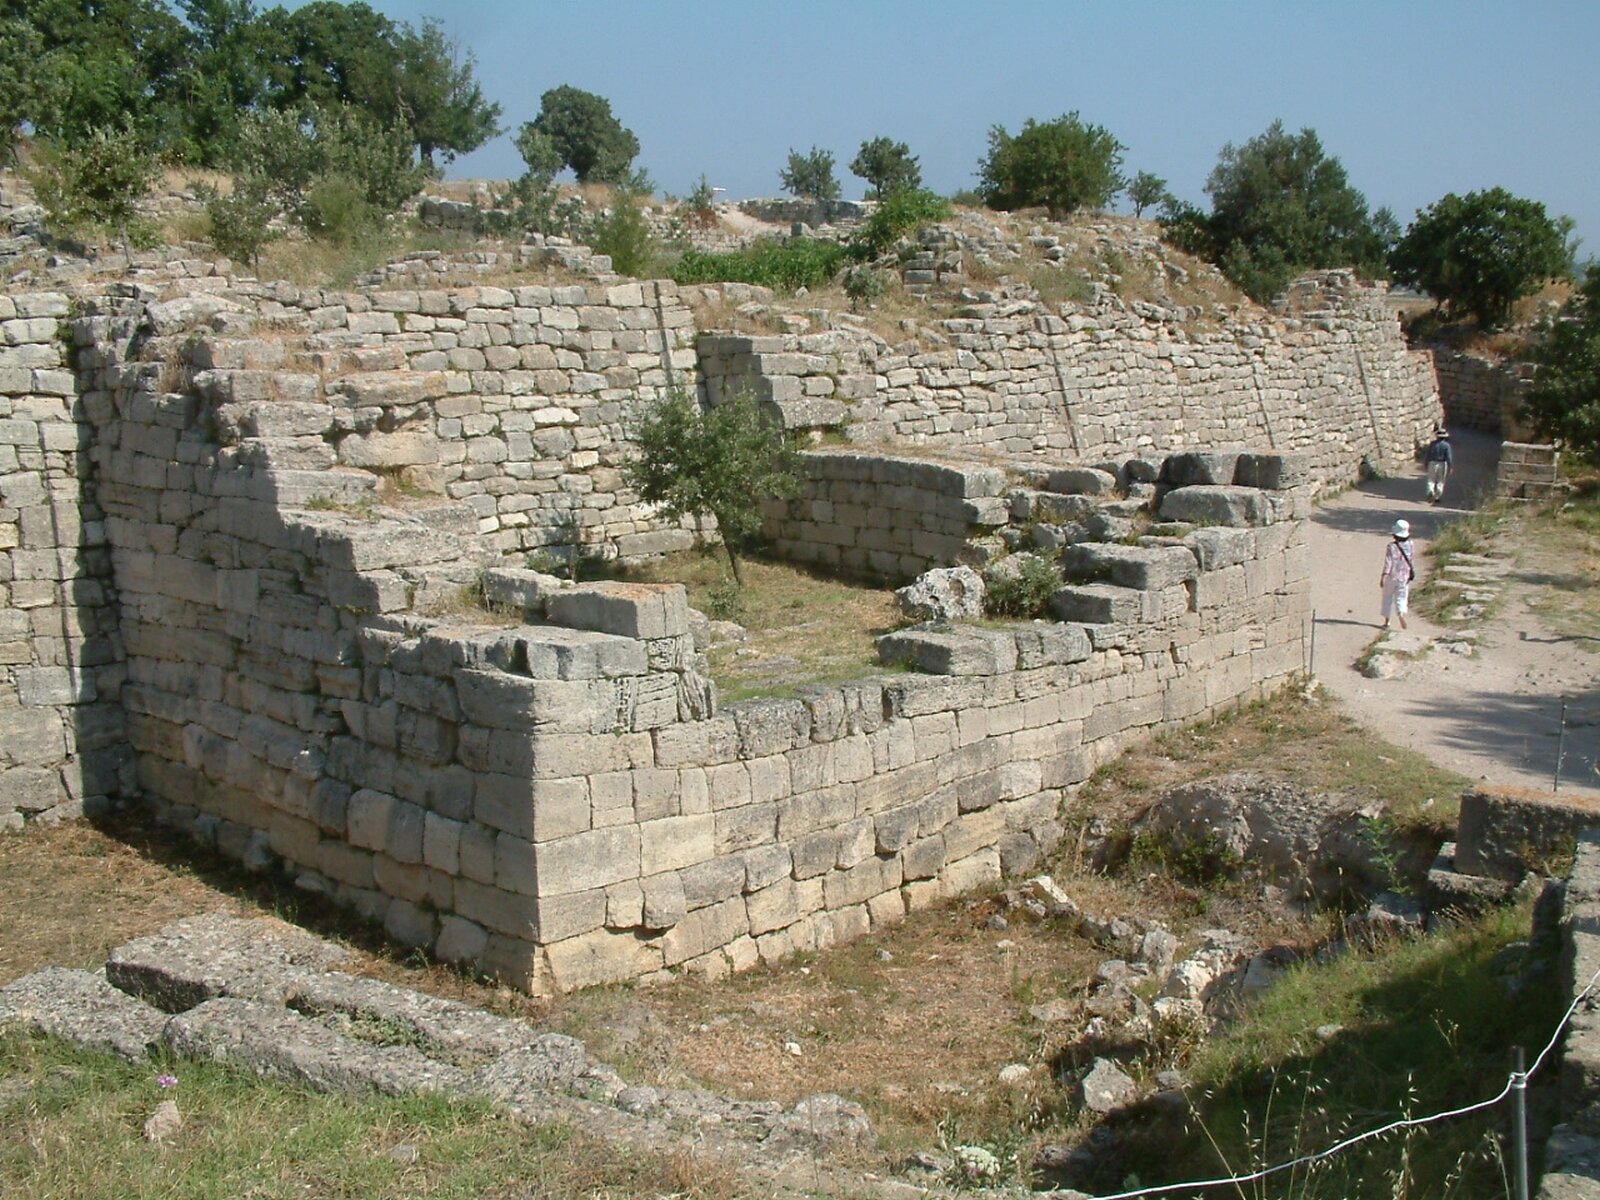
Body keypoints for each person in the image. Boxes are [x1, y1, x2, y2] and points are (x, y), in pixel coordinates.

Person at [1380, 518, 1415, 630]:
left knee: (1387, 597)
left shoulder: (1391, 547)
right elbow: (1411, 558)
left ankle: (1387, 621)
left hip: (1392, 576)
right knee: (1401, 597)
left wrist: (1383, 576)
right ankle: (1400, 614)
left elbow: (1388, 562)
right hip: (1404, 576)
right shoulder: (1411, 544)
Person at [1424, 427, 1453, 503]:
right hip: (1442, 463)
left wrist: (1426, 463)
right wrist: (1450, 466)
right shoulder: (1447, 446)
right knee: (1441, 480)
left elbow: (1428, 454)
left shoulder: (1432, 444)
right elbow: (1448, 457)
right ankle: (1437, 496)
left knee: (1431, 479)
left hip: (1432, 462)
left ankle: (1430, 491)